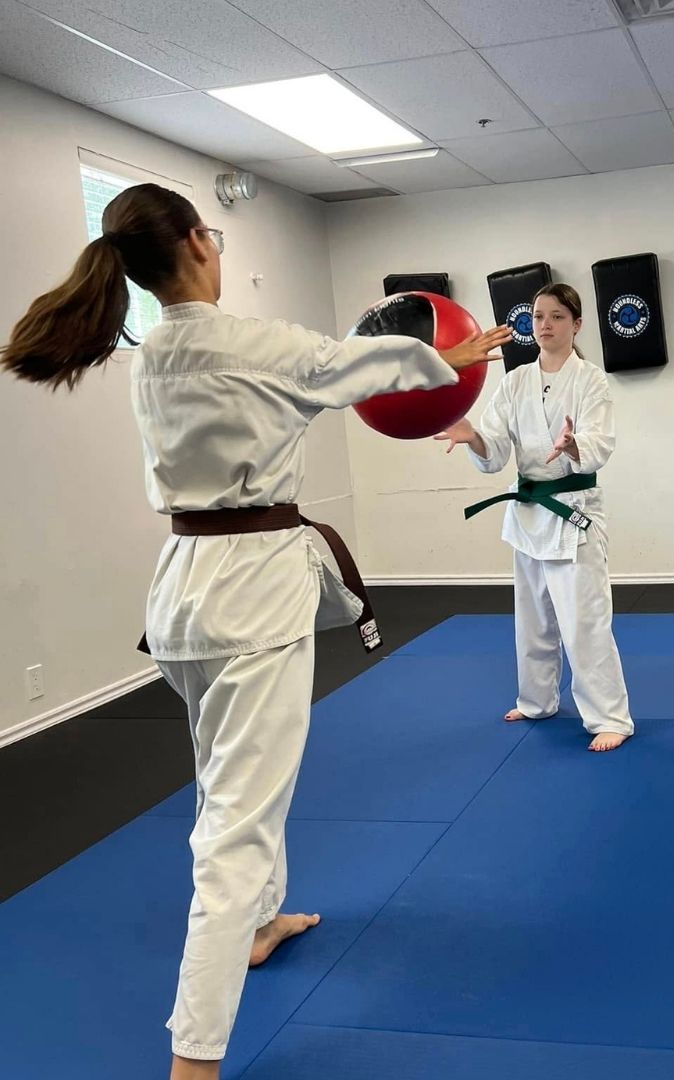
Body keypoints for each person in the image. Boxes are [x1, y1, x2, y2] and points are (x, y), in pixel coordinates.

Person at [0, 182, 509, 1079]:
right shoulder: (254, 344)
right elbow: (365, 363)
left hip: (185, 592)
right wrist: (453, 354)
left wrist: (426, 359)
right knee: (235, 822)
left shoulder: (154, 351)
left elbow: (342, 365)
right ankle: (193, 1060)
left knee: (224, 780)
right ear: (199, 243)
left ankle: (265, 921)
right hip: (250, 598)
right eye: (217, 238)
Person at [435, 283, 633, 752]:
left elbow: (599, 442)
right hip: (527, 513)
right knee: (533, 617)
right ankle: (537, 699)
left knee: (584, 621)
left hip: (573, 513)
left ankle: (610, 717)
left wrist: (573, 445)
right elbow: (496, 448)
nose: (545, 325)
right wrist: (473, 437)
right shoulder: (515, 380)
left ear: (576, 325)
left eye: (557, 317)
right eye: (538, 317)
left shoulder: (590, 380)